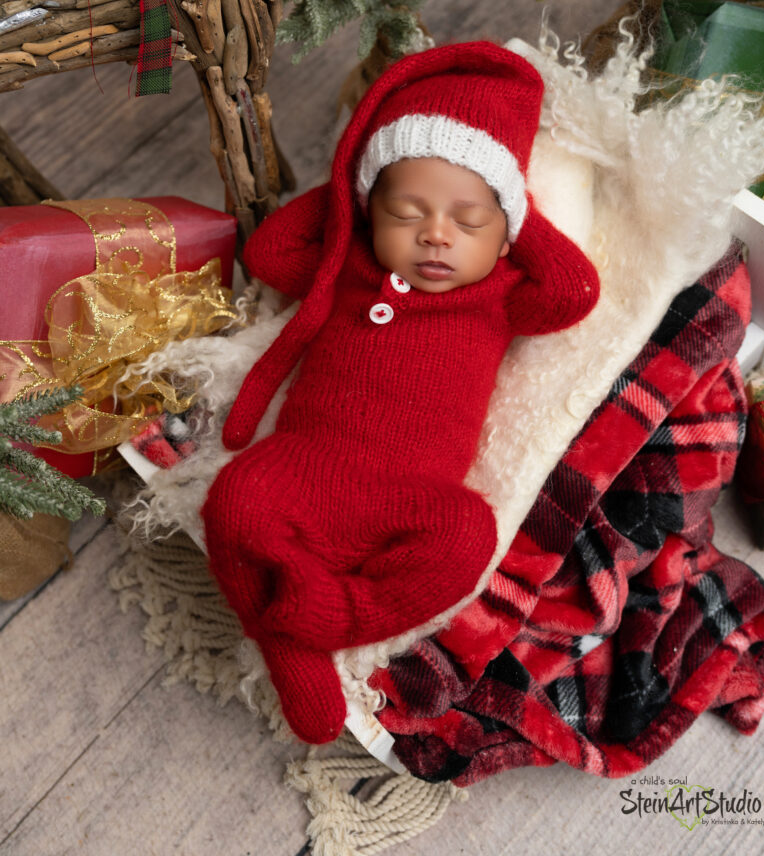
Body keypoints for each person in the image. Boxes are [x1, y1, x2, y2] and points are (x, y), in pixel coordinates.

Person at [201, 41, 600, 743]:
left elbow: (575, 292)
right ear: (367, 212)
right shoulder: (344, 262)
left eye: (467, 221)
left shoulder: (500, 295)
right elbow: (268, 253)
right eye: (407, 214)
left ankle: (336, 615)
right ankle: (292, 650)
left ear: (504, 232)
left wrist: (512, 216)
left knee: (466, 536)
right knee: (233, 501)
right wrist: (353, 193)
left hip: (413, 495)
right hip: (307, 462)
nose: (435, 236)